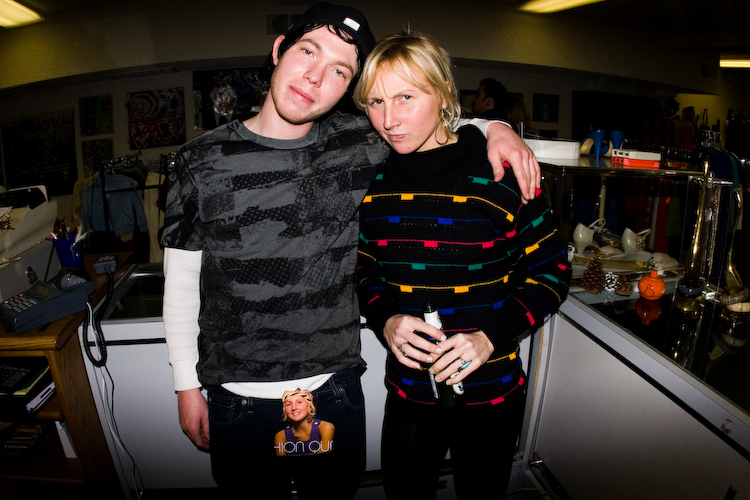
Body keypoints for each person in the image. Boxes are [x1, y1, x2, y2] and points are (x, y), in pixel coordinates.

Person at [160, 3, 542, 498]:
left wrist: (495, 129)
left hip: (333, 392)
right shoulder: (199, 160)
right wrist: (185, 385)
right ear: (278, 51)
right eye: (308, 52)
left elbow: (427, 115)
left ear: (348, 89)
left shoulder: (362, 142)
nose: (316, 77)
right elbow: (181, 285)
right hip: (237, 397)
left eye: (339, 70)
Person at [353, 31, 571, 499]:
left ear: (444, 91)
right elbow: (366, 272)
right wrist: (385, 320)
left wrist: (489, 336)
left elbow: (553, 272)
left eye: (406, 97)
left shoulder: (502, 171)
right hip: (409, 392)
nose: (388, 120)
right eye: (375, 102)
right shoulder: (372, 181)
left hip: (492, 392)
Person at [274, 389, 335, 456]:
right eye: (289, 404)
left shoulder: (325, 427)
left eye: (299, 402)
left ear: (310, 406)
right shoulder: (281, 436)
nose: (293, 408)